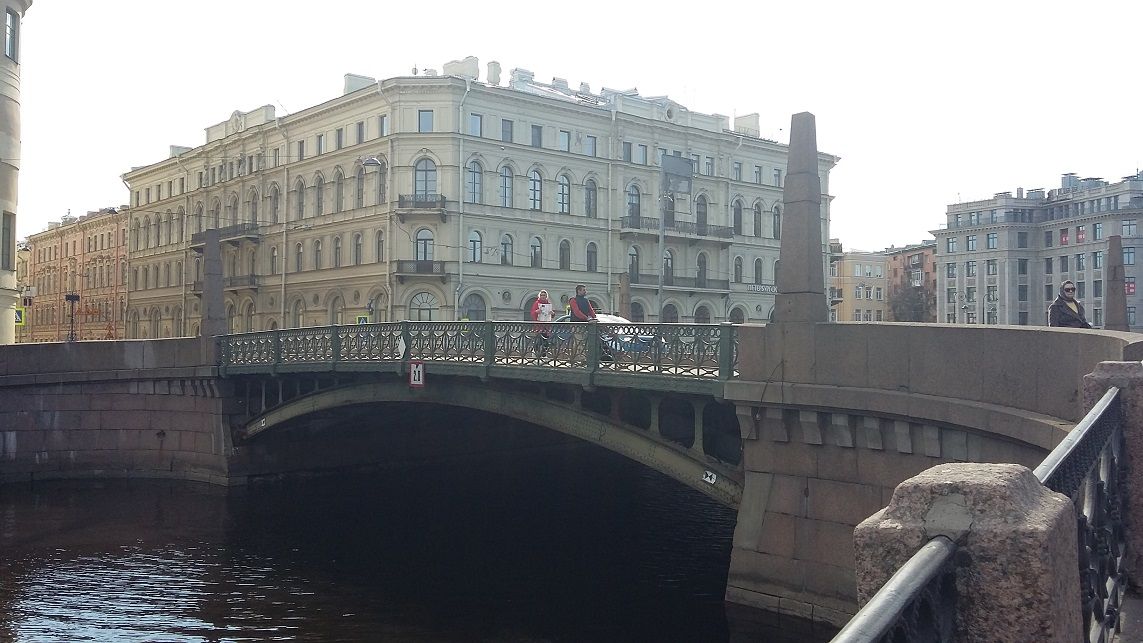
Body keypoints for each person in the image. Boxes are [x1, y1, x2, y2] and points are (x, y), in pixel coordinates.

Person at [529, 290, 554, 356]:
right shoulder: (536, 303)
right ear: (539, 296)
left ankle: (544, 355)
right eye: (541, 295)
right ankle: (535, 352)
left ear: (546, 296)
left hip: (546, 326)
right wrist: (536, 311)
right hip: (539, 325)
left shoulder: (548, 304)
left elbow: (552, 314)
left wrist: (552, 313)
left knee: (545, 341)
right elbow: (532, 313)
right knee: (539, 340)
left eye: (544, 295)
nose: (543, 296)